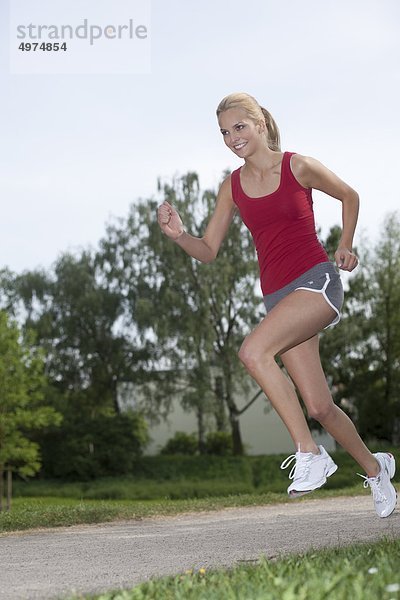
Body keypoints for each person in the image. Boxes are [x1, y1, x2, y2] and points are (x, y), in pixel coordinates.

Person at [157, 92, 397, 518]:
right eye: (225, 133)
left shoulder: (296, 166)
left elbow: (350, 195)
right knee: (320, 406)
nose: (232, 138)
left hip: (316, 282)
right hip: (278, 297)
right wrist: (179, 236)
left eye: (239, 127)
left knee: (252, 351)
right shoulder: (232, 187)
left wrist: (345, 244)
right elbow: (209, 249)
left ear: (260, 125)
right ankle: (377, 471)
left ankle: (310, 453)